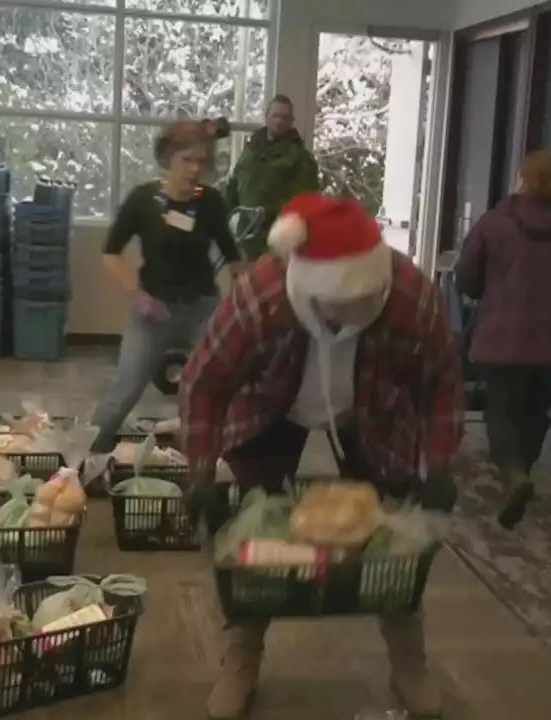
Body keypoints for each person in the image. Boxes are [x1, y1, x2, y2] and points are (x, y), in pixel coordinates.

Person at [180, 193, 463, 720]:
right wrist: (199, 467)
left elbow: (442, 383)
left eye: (368, 297)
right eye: (345, 303)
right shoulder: (262, 296)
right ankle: (241, 655)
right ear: (313, 291)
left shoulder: (408, 296)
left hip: (372, 410)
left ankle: (409, 663)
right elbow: (204, 383)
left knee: (395, 537)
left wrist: (439, 463)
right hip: (272, 408)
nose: (361, 308)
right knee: (252, 533)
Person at [454, 150, 551, 529]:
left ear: (522, 179)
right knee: (537, 409)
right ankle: (523, 472)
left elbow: (466, 275)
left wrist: (489, 292)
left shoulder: (494, 223)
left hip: (503, 334)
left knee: (501, 408)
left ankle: (514, 476)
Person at [88, 120, 246, 455]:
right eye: (186, 160)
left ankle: (223, 463)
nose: (194, 170)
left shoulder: (211, 202)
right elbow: (110, 254)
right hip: (151, 314)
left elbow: (233, 257)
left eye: (201, 162)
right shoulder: (143, 200)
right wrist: (136, 292)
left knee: (224, 387)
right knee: (124, 391)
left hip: (201, 311)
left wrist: (241, 302)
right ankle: (82, 462)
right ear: (168, 159)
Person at [225, 95, 321, 260]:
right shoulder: (251, 149)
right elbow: (235, 183)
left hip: (276, 240)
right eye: (275, 115)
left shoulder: (300, 157)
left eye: (284, 117)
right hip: (245, 236)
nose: (279, 121)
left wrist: (268, 212)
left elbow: (303, 201)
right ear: (266, 116)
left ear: (291, 121)